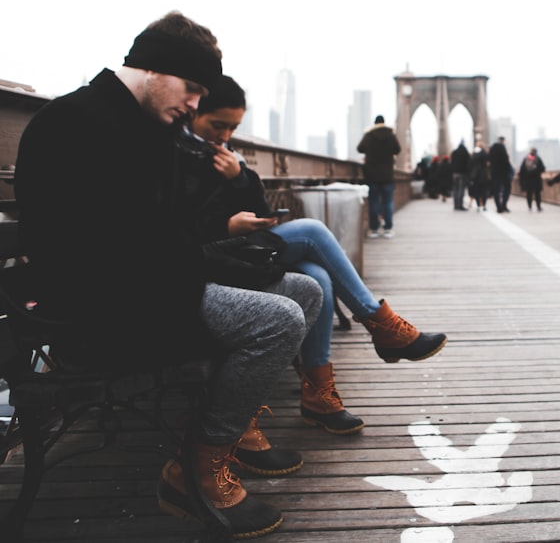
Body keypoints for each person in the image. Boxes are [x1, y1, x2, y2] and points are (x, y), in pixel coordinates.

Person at [14, 11, 321, 537]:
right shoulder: (78, 122)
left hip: (149, 281)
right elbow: (113, 248)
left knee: (306, 291)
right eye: (193, 87)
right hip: (102, 304)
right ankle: (195, 471)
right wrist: (212, 261)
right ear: (155, 69)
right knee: (279, 320)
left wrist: (223, 255)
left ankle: (231, 430)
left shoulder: (140, 125)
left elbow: (162, 233)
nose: (197, 103)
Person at [180, 77, 448, 437]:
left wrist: (240, 178)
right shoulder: (177, 155)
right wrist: (227, 224)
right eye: (218, 125)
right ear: (194, 112)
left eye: (233, 127)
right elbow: (179, 227)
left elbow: (262, 211)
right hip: (216, 254)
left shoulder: (227, 157)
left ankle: (319, 396)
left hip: (246, 247)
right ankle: (380, 324)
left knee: (317, 280)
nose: (225, 135)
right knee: (312, 232)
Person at [357, 115, 401, 238]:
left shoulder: (369, 135)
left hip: (371, 175)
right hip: (387, 175)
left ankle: (374, 229)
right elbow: (397, 149)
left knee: (373, 203)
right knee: (388, 202)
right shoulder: (391, 135)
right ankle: (388, 229)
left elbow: (359, 148)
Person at [489, 136, 513, 213]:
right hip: (504, 173)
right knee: (507, 189)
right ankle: (504, 205)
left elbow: (489, 160)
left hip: (495, 173)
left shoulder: (492, 149)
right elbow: (506, 161)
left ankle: (498, 207)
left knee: (496, 190)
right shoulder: (502, 148)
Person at [468, 141, 491, 211]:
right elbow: (489, 163)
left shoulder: (474, 154)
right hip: (484, 175)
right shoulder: (485, 154)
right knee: (484, 191)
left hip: (476, 175)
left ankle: (478, 205)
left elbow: (470, 164)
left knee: (477, 191)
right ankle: (484, 205)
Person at [450, 141, 470, 210]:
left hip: (455, 173)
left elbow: (452, 162)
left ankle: (456, 205)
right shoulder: (465, 152)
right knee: (461, 189)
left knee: (455, 189)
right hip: (462, 173)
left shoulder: (454, 152)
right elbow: (468, 163)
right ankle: (460, 205)